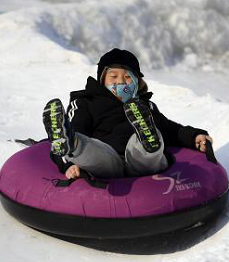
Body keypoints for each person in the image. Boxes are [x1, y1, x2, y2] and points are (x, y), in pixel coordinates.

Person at [42, 48, 213, 179]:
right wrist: (68, 165)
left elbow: (172, 130)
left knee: (147, 143)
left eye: (128, 77)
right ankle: (71, 144)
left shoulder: (146, 106)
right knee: (93, 149)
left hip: (141, 163)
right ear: (102, 80)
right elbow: (78, 126)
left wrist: (194, 136)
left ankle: (145, 137)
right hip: (108, 159)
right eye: (113, 77)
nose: (121, 83)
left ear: (138, 83)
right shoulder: (87, 102)